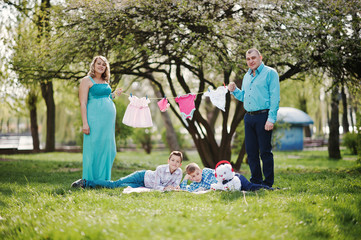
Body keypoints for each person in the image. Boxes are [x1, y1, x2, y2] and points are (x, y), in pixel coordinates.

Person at [228, 48, 280, 187]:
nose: (251, 61)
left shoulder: (270, 73)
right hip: (249, 118)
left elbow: (275, 98)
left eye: (253, 58)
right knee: (251, 153)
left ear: (260, 57)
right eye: (248, 59)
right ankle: (256, 182)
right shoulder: (247, 76)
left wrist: (271, 119)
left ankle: (268, 183)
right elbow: (244, 97)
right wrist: (234, 91)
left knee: (265, 152)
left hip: (264, 116)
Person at [78, 56, 122, 182]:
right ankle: (90, 179)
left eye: (104, 64)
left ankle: (103, 179)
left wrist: (114, 94)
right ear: (94, 65)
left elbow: (106, 98)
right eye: (99, 63)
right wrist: (85, 123)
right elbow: (83, 103)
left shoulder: (105, 82)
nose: (101, 66)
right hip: (93, 119)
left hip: (107, 122)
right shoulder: (86, 80)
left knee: (108, 149)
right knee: (93, 148)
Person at [71, 151, 183, 191]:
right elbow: (156, 186)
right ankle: (85, 183)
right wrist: (166, 188)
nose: (174, 163)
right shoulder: (160, 169)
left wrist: (174, 187)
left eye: (177, 162)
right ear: (168, 161)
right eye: (173, 160)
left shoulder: (179, 172)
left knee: (120, 187)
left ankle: (92, 186)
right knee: (115, 184)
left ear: (180, 164)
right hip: (141, 177)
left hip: (143, 186)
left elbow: (175, 186)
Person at [180, 162, 272, 192]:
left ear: (200, 171)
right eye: (193, 176)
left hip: (234, 178)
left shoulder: (206, 171)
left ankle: (271, 189)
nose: (196, 177)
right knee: (243, 190)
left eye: (197, 174)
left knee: (249, 187)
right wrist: (185, 179)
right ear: (190, 177)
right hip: (229, 187)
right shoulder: (195, 185)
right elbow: (183, 190)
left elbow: (220, 171)